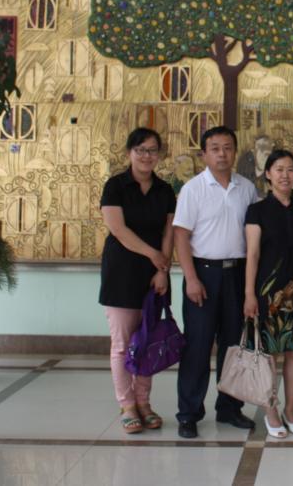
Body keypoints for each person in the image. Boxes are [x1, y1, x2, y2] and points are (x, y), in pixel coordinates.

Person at [173, 126, 259, 438]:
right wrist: (191, 278)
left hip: (237, 273)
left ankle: (229, 408)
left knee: (233, 345)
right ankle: (189, 414)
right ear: (204, 154)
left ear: (235, 151)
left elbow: (255, 235)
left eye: (227, 148)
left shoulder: (247, 188)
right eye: (215, 148)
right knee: (197, 346)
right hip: (203, 274)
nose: (222, 154)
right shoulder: (193, 189)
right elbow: (181, 236)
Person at [98, 127, 176, 434]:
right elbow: (118, 229)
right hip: (121, 272)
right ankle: (127, 405)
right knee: (121, 345)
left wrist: (162, 269)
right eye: (141, 150)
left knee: (148, 341)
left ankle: (144, 402)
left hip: (153, 275)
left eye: (152, 150)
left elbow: (169, 232)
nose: (146, 156)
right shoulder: (115, 186)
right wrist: (153, 254)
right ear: (129, 152)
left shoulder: (165, 190)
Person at [243, 149, 293, 438]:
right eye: (279, 169)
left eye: (290, 169)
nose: (285, 175)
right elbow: (252, 255)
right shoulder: (257, 210)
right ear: (268, 174)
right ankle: (271, 410)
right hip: (268, 291)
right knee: (269, 353)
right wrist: (249, 294)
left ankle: (290, 409)